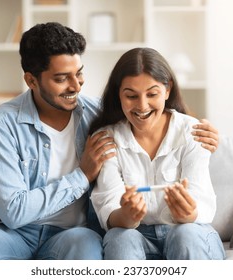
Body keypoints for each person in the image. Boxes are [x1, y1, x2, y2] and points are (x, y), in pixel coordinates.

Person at [0, 22, 219, 260]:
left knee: (87, 250)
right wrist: (82, 175)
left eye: (78, 73)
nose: (76, 86)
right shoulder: (0, 125)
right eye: (61, 78)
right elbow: (13, 212)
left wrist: (207, 134)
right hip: (11, 232)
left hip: (73, 233)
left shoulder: (96, 114)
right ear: (31, 80)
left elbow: (147, 112)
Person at [90, 47, 225, 260]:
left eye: (152, 94)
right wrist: (125, 216)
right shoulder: (107, 139)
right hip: (135, 234)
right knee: (121, 238)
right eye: (131, 96)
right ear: (119, 95)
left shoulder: (193, 132)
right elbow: (109, 205)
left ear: (167, 90)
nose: (142, 106)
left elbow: (202, 202)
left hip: (188, 230)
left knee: (186, 234)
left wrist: (187, 213)